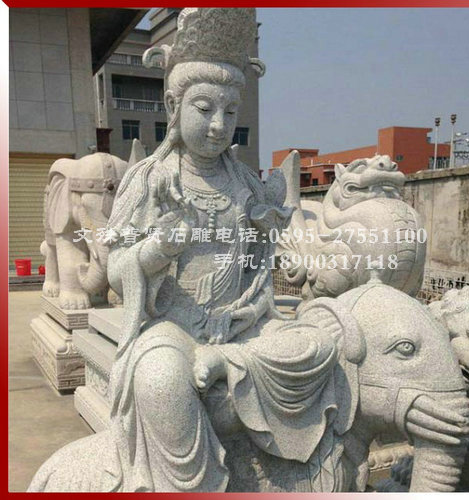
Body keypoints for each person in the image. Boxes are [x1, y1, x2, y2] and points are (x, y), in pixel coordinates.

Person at [29, 9, 355, 492]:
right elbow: (116, 270)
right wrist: (157, 248)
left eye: (230, 112)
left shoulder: (246, 183)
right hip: (172, 327)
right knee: (159, 380)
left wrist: (266, 263)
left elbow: (257, 263)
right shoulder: (150, 179)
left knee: (320, 346)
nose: (219, 125)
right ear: (173, 106)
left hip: (242, 326)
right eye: (204, 109)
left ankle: (236, 376)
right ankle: (193, 483)